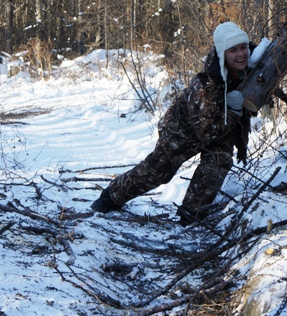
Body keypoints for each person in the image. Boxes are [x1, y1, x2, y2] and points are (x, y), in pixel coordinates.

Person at [91, 22, 255, 226]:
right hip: (180, 131)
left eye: (243, 47)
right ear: (222, 54)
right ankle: (110, 198)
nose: (241, 54)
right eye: (233, 50)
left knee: (219, 160)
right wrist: (235, 111)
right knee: (157, 172)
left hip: (219, 129)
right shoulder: (207, 84)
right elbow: (207, 133)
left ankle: (191, 216)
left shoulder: (251, 67)